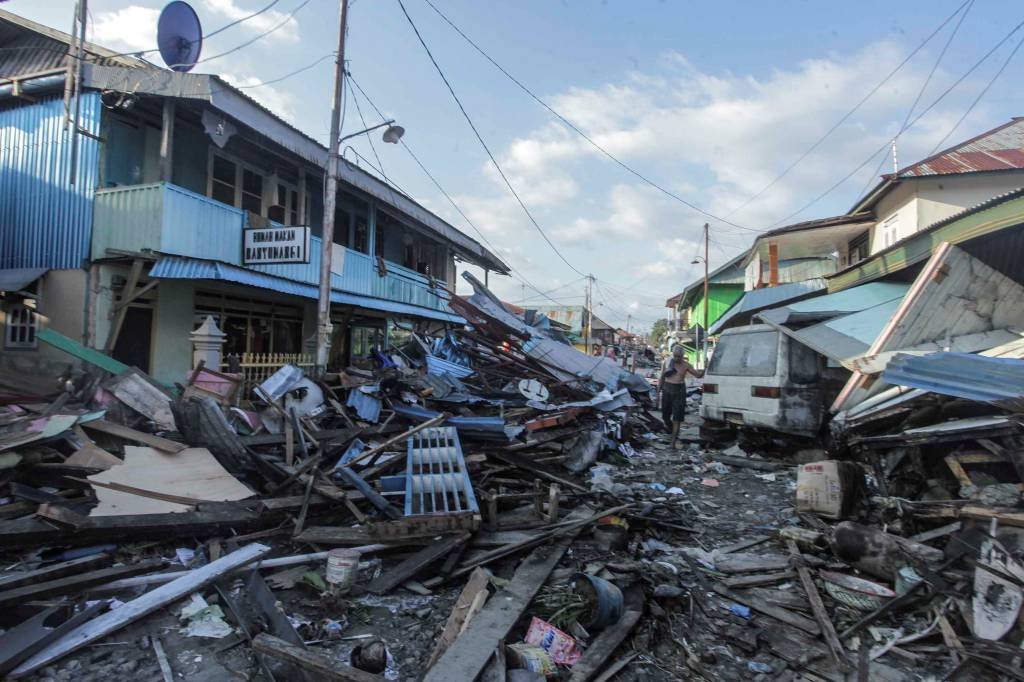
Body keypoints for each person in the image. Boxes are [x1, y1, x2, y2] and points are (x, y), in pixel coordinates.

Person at [660, 345, 703, 448]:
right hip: (667, 388)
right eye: (675, 356)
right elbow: (661, 376)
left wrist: (704, 370)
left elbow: (697, 375)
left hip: (679, 390)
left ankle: (673, 442)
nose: (677, 358)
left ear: (683, 356)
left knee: (677, 418)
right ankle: (673, 433)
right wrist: (658, 391)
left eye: (679, 356)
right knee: (665, 416)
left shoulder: (686, 365)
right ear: (672, 355)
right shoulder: (667, 362)